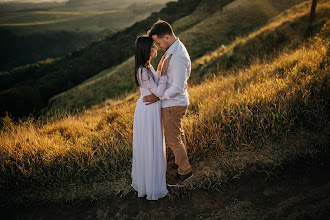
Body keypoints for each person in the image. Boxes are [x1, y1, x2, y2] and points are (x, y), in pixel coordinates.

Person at [144, 20, 193, 186]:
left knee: (172, 139)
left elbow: (177, 86)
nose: (158, 46)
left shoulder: (178, 56)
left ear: (166, 37)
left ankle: (185, 171)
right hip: (172, 102)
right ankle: (181, 162)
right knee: (178, 135)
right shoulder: (172, 50)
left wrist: (158, 97)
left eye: (158, 42)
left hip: (174, 102)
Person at [131, 35, 171, 200]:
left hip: (150, 108)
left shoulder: (147, 67)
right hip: (148, 111)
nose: (156, 49)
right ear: (146, 50)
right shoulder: (143, 71)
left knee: (152, 144)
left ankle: (151, 179)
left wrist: (160, 70)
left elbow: (157, 93)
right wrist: (164, 75)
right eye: (153, 47)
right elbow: (159, 92)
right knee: (150, 144)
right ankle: (152, 184)